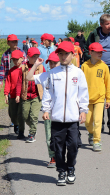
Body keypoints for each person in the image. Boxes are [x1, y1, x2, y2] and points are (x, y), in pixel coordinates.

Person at [42, 41, 89, 186]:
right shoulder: (53, 73)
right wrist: (46, 109)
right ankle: (61, 171)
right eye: (60, 54)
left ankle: (71, 168)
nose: (63, 57)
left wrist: (83, 110)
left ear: (73, 54)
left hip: (73, 118)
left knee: (73, 145)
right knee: (58, 147)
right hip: (56, 119)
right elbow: (48, 92)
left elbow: (83, 93)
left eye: (66, 54)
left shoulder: (78, 73)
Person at [84, 14, 110, 135]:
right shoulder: (94, 35)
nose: (109, 26)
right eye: (107, 24)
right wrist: (95, 60)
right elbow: (86, 50)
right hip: (97, 70)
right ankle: (99, 124)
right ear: (101, 24)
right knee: (98, 97)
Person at [26, 52, 61, 168]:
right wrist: (35, 65)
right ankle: (53, 157)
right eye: (50, 63)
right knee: (49, 136)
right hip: (48, 111)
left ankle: (62, 156)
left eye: (55, 63)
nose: (52, 65)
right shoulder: (46, 75)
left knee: (62, 136)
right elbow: (28, 77)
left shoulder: (66, 75)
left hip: (63, 111)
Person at [81, 42, 110, 152]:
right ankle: (91, 133)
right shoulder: (84, 66)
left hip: (99, 98)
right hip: (87, 99)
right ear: (90, 52)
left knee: (98, 120)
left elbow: (108, 83)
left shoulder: (104, 66)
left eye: (101, 52)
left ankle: (96, 141)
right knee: (88, 122)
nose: (100, 54)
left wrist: (108, 98)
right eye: (97, 52)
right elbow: (80, 84)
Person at [20, 47, 45, 143]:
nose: (35, 59)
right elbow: (20, 81)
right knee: (25, 116)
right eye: (33, 57)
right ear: (28, 57)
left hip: (36, 96)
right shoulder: (23, 67)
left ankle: (32, 133)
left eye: (37, 56)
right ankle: (32, 127)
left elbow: (45, 81)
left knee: (34, 116)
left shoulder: (41, 67)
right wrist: (19, 94)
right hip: (26, 95)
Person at [3, 50, 25, 138]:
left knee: (21, 113)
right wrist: (6, 94)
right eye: (13, 60)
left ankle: (20, 130)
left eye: (17, 59)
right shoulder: (11, 71)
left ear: (22, 59)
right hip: (12, 95)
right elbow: (8, 82)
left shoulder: (25, 69)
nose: (15, 62)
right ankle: (15, 123)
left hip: (22, 95)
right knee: (12, 113)